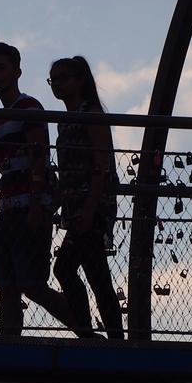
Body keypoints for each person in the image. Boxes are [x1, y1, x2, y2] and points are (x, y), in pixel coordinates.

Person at [0, 42, 84, 336]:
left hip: (27, 207)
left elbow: (38, 156)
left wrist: (38, 205)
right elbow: (9, 167)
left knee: (32, 284)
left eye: (1, 67)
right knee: (7, 286)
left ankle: (86, 332)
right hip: (9, 207)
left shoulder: (29, 107)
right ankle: (9, 349)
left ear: (17, 72)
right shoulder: (0, 119)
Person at [46, 56, 124, 340]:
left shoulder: (91, 114)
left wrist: (90, 209)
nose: (57, 84)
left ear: (80, 80)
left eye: (63, 77)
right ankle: (112, 340)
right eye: (53, 79)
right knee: (96, 274)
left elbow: (100, 165)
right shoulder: (65, 122)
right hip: (76, 207)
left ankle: (89, 335)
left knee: (66, 268)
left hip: (91, 207)